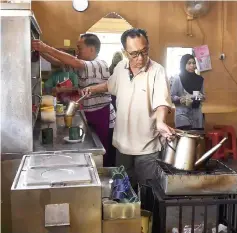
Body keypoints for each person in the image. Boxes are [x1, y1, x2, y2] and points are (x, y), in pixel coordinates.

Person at [81, 28, 175, 186]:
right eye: (134, 53)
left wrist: (160, 122)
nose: (140, 58)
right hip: (122, 144)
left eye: (144, 51)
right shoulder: (120, 68)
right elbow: (110, 85)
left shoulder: (157, 71)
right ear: (125, 52)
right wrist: (92, 89)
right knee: (122, 191)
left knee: (147, 193)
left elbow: (161, 102)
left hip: (147, 146)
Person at [32, 33, 116, 166]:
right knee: (96, 146)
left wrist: (46, 47)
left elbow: (74, 62)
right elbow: (59, 62)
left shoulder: (99, 64)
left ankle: (109, 179)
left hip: (103, 115)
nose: (77, 51)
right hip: (91, 114)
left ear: (92, 49)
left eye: (79, 47)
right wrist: (40, 51)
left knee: (105, 154)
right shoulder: (81, 65)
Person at [171, 54, 205, 130]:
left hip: (197, 117)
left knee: (196, 140)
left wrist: (196, 97)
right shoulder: (177, 79)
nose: (192, 65)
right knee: (185, 140)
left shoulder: (199, 80)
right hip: (182, 116)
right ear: (183, 64)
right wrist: (180, 99)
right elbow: (172, 97)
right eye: (189, 63)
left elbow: (203, 97)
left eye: (194, 63)